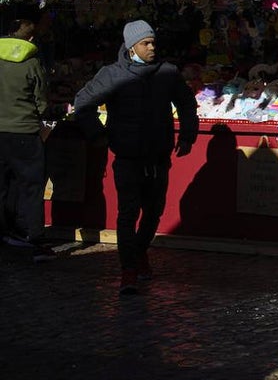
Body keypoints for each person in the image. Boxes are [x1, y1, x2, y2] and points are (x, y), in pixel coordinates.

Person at [72, 20, 198, 294]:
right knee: (128, 213)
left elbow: (187, 103)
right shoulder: (112, 74)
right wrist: (99, 134)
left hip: (158, 154)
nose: (152, 47)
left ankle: (140, 251)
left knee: (154, 212)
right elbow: (83, 103)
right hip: (127, 155)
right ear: (132, 48)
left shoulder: (167, 73)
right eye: (146, 43)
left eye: (153, 42)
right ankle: (128, 268)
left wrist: (188, 135)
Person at [0, 5, 52, 261]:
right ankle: (34, 239)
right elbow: (41, 103)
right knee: (31, 187)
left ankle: (5, 234)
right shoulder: (31, 61)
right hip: (24, 133)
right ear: (23, 25)